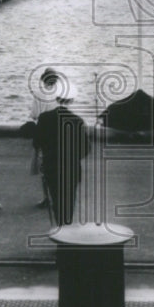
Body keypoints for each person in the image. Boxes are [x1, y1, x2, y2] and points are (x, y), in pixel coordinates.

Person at [33, 81, 90, 227]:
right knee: (69, 202)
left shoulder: (44, 118)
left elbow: (37, 142)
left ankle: (60, 229)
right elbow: (86, 149)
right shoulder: (78, 121)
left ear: (57, 98)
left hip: (51, 166)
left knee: (56, 201)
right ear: (72, 100)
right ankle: (66, 230)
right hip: (71, 168)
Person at [29, 68, 60, 208]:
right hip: (57, 132)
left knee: (43, 165)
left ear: (43, 79)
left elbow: (34, 114)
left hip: (42, 132)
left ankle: (46, 197)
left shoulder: (37, 94)